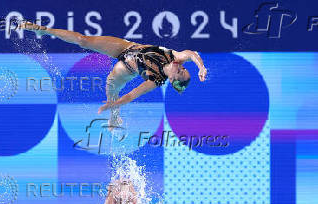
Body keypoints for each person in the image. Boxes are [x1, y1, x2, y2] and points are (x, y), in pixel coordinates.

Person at [18, 21, 207, 129]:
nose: (181, 66)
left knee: (111, 85)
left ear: (173, 79)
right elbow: (192, 54)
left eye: (181, 72)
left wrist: (113, 104)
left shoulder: (155, 80)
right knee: (83, 40)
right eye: (184, 68)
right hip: (128, 47)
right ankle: (40, 29)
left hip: (128, 68)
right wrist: (201, 67)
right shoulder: (175, 56)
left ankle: (114, 117)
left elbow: (132, 95)